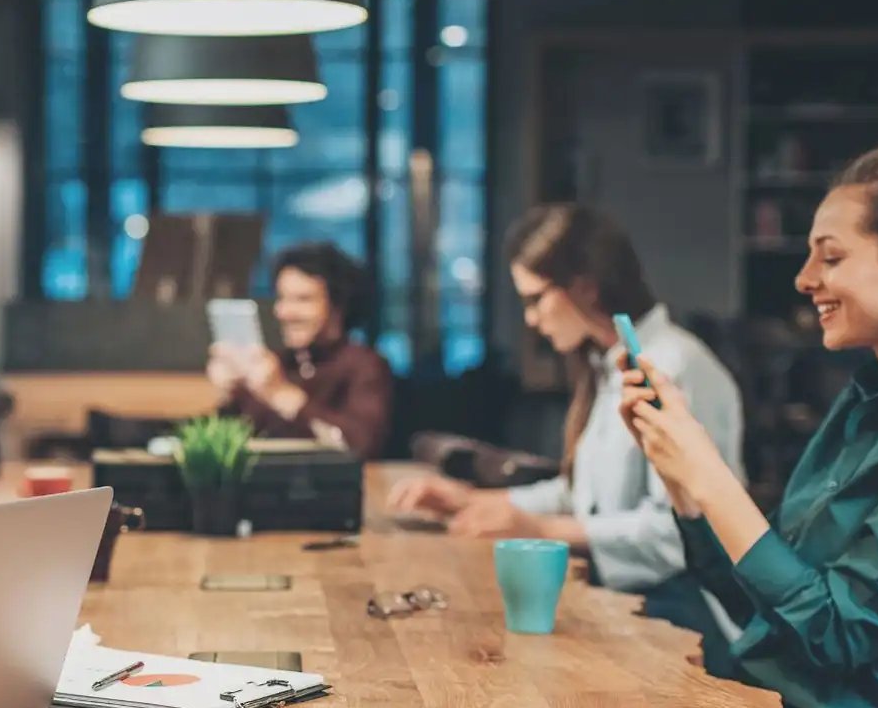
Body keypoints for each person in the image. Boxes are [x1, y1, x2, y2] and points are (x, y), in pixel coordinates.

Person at [621, 146, 878, 708]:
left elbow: (838, 632)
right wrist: (684, 485)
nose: (803, 279)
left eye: (831, 257)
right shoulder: (855, 408)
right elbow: (770, 602)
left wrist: (711, 473)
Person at [388, 204, 746, 675]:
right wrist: (473, 500)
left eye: (536, 299)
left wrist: (538, 530)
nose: (531, 320)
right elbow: (580, 496)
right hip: (632, 616)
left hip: (690, 627)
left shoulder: (675, 368)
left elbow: (674, 536)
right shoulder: (612, 363)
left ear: (584, 287)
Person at [207, 242, 393, 459]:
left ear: (338, 305)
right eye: (281, 298)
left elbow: (359, 445)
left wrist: (281, 395)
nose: (284, 312)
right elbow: (234, 445)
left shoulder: (365, 366)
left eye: (303, 299)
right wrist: (229, 395)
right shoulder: (277, 363)